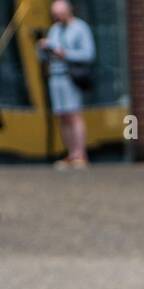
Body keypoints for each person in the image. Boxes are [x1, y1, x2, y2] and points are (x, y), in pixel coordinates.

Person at [38, 0, 95, 170]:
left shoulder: (80, 28)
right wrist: (42, 48)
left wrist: (65, 54)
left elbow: (88, 54)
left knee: (74, 115)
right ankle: (71, 154)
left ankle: (80, 154)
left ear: (68, 11)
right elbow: (44, 57)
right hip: (55, 77)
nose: (57, 17)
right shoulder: (54, 29)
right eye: (55, 14)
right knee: (62, 116)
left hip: (71, 77)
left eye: (60, 14)